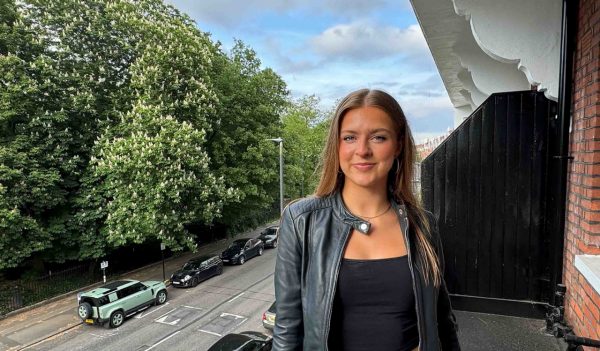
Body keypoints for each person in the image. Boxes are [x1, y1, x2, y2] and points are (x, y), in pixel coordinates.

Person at [273, 89, 460, 351]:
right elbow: (287, 331)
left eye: (378, 137)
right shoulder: (301, 221)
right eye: (350, 137)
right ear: (336, 146)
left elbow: (443, 322)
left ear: (398, 145)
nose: (362, 150)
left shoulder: (423, 226)